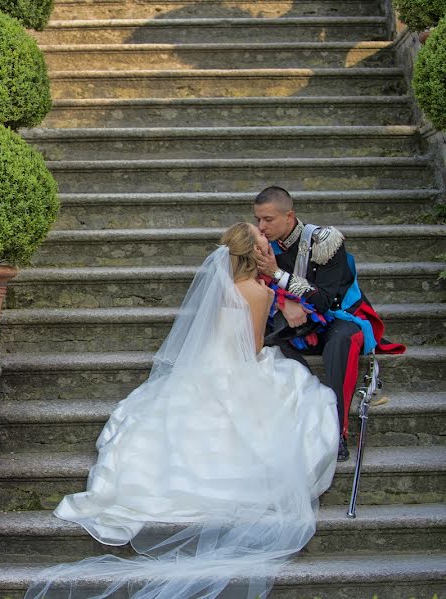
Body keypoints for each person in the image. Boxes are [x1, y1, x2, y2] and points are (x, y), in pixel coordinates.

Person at [26, 223, 339, 599]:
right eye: (262, 243)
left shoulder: (220, 287)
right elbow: (253, 346)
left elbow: (210, 335)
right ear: (255, 255)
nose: (267, 245)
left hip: (204, 364)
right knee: (306, 394)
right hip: (236, 366)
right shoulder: (258, 292)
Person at [253, 186, 405, 462]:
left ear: (290, 216)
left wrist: (276, 274)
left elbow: (324, 300)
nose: (261, 227)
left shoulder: (325, 241)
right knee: (259, 332)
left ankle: (337, 430)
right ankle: (309, 394)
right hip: (292, 323)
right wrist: (283, 302)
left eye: (268, 219)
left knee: (342, 339)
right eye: (258, 219)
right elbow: (252, 286)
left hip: (337, 318)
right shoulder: (261, 244)